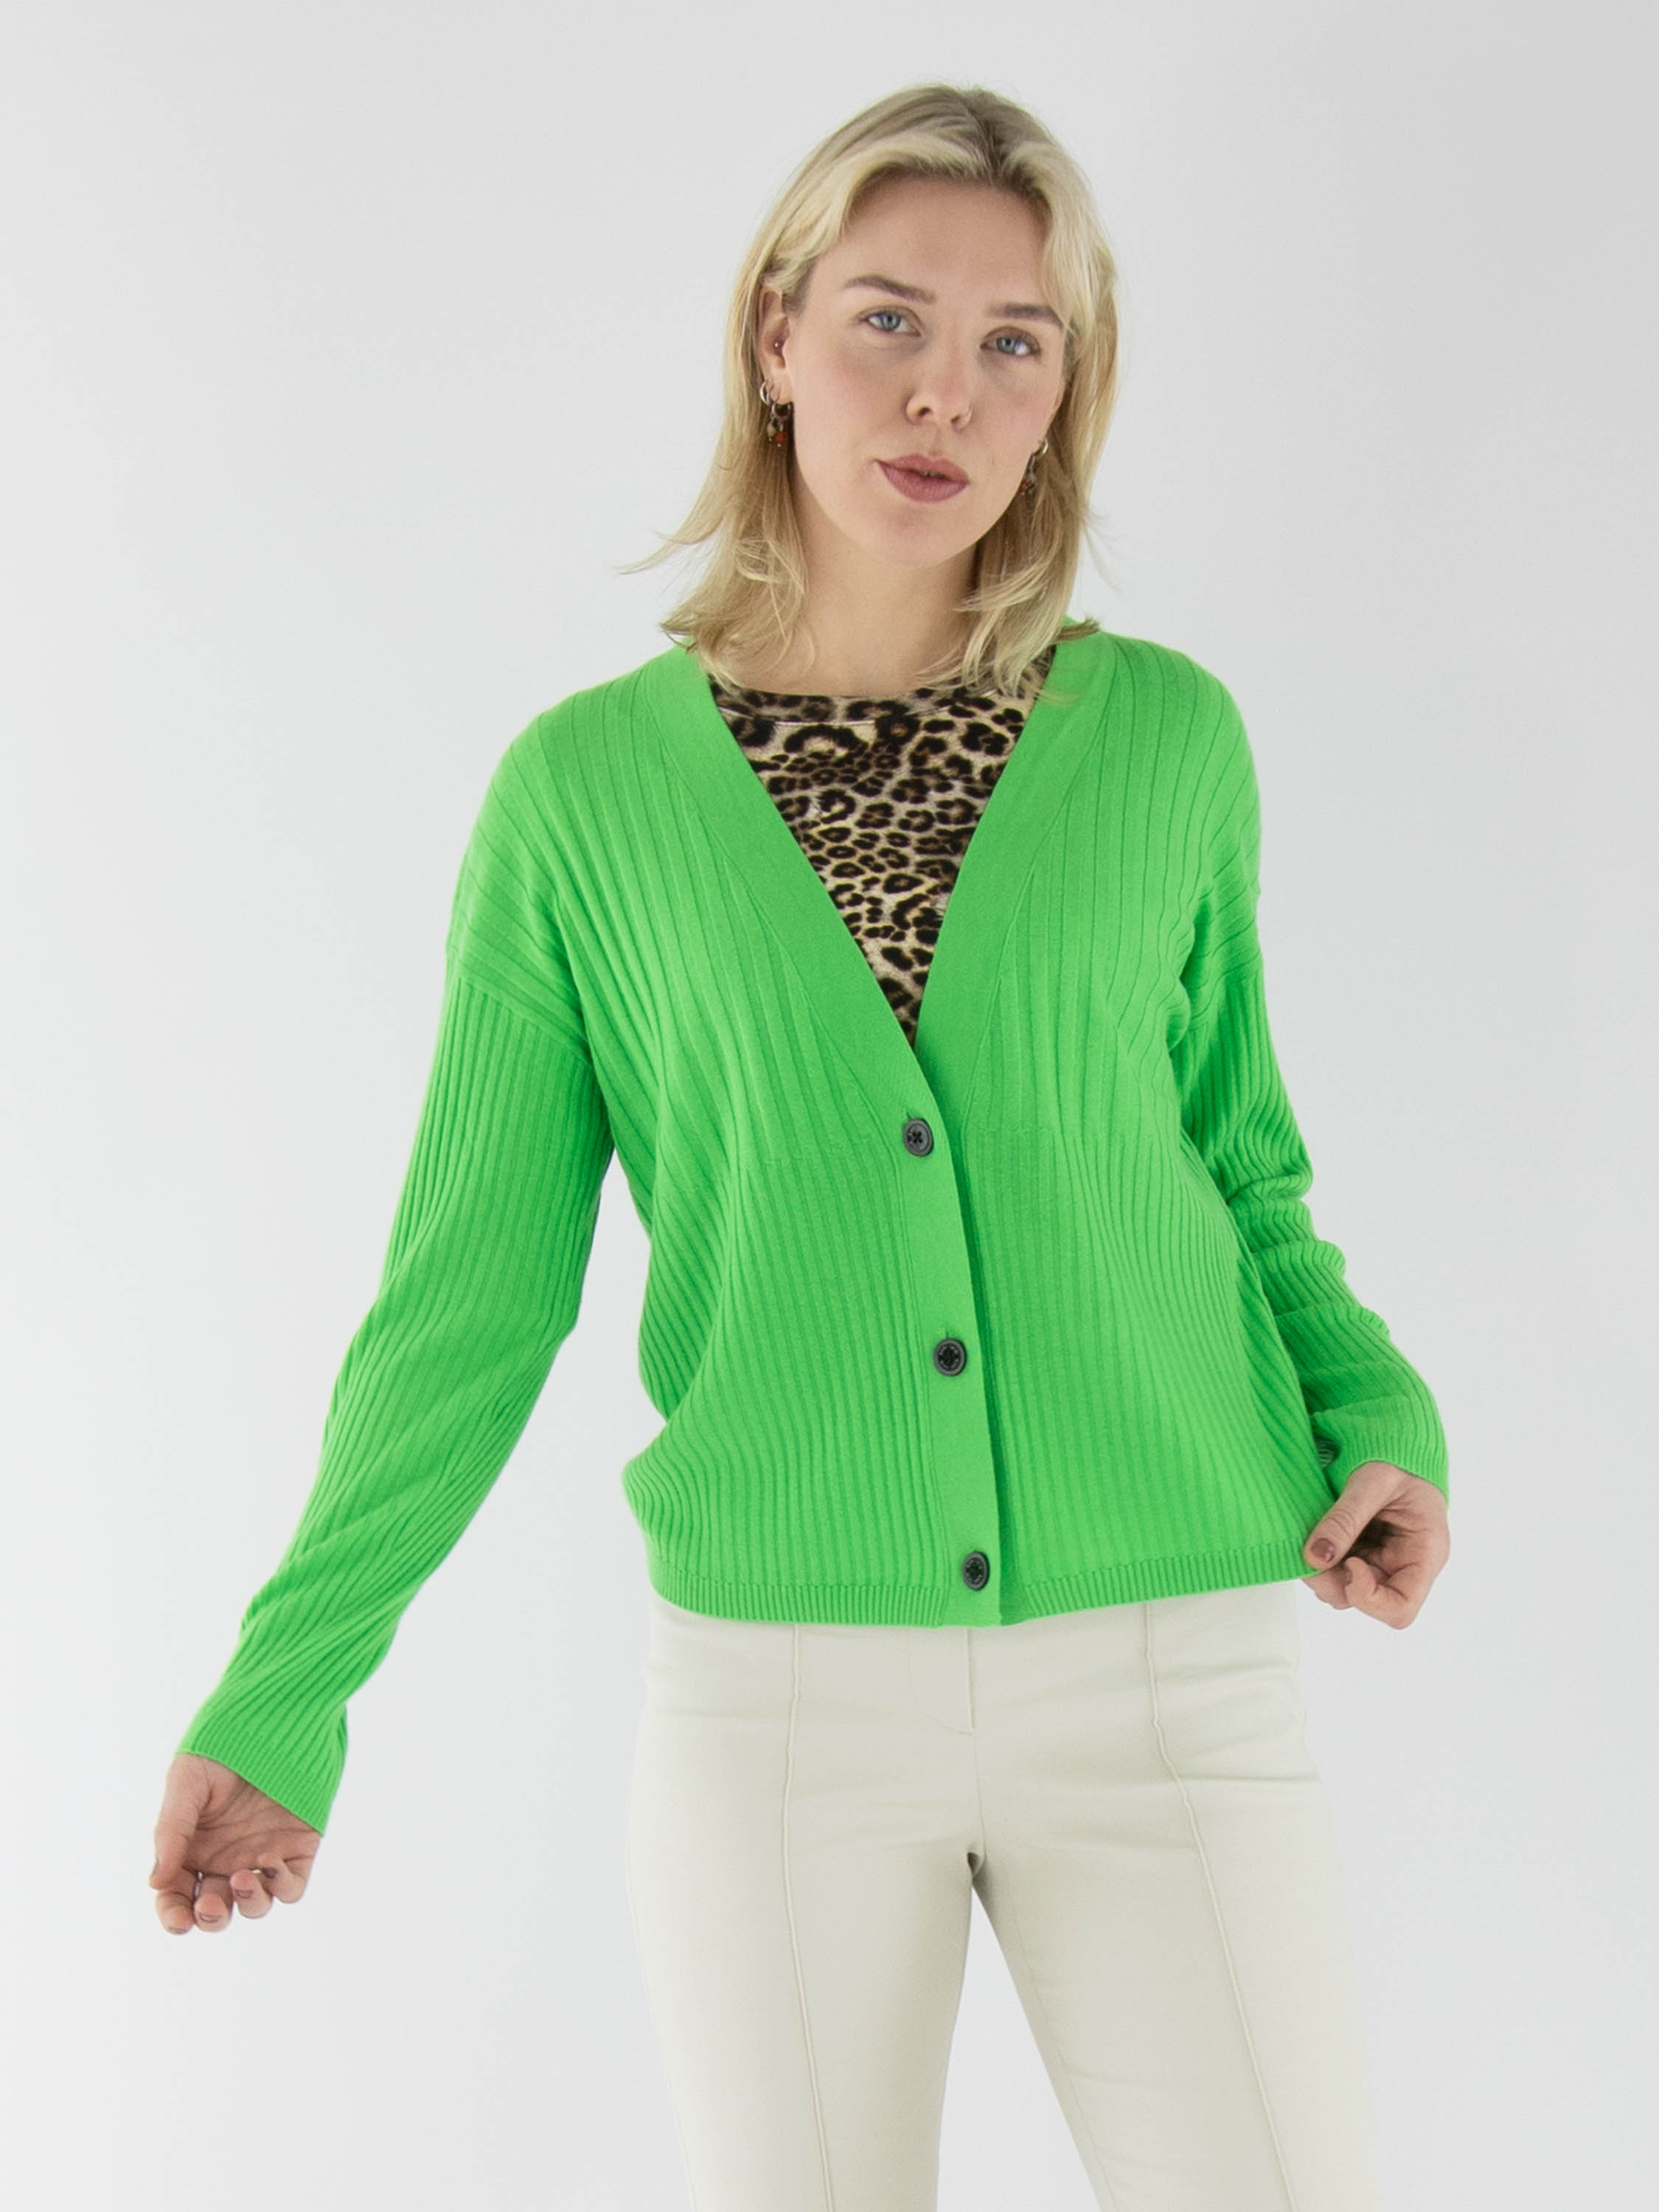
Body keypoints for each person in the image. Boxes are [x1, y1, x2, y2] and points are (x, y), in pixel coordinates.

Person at [151, 80, 1450, 2212]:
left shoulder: (1167, 741)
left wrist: (1376, 1412)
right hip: (779, 1717)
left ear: (1065, 393)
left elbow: (1242, 1169)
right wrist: (289, 1686)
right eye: (886, 320)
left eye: (1014, 341)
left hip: (1171, 1672)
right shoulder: (580, 802)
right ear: (774, 333)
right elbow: (470, 1294)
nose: (946, 392)